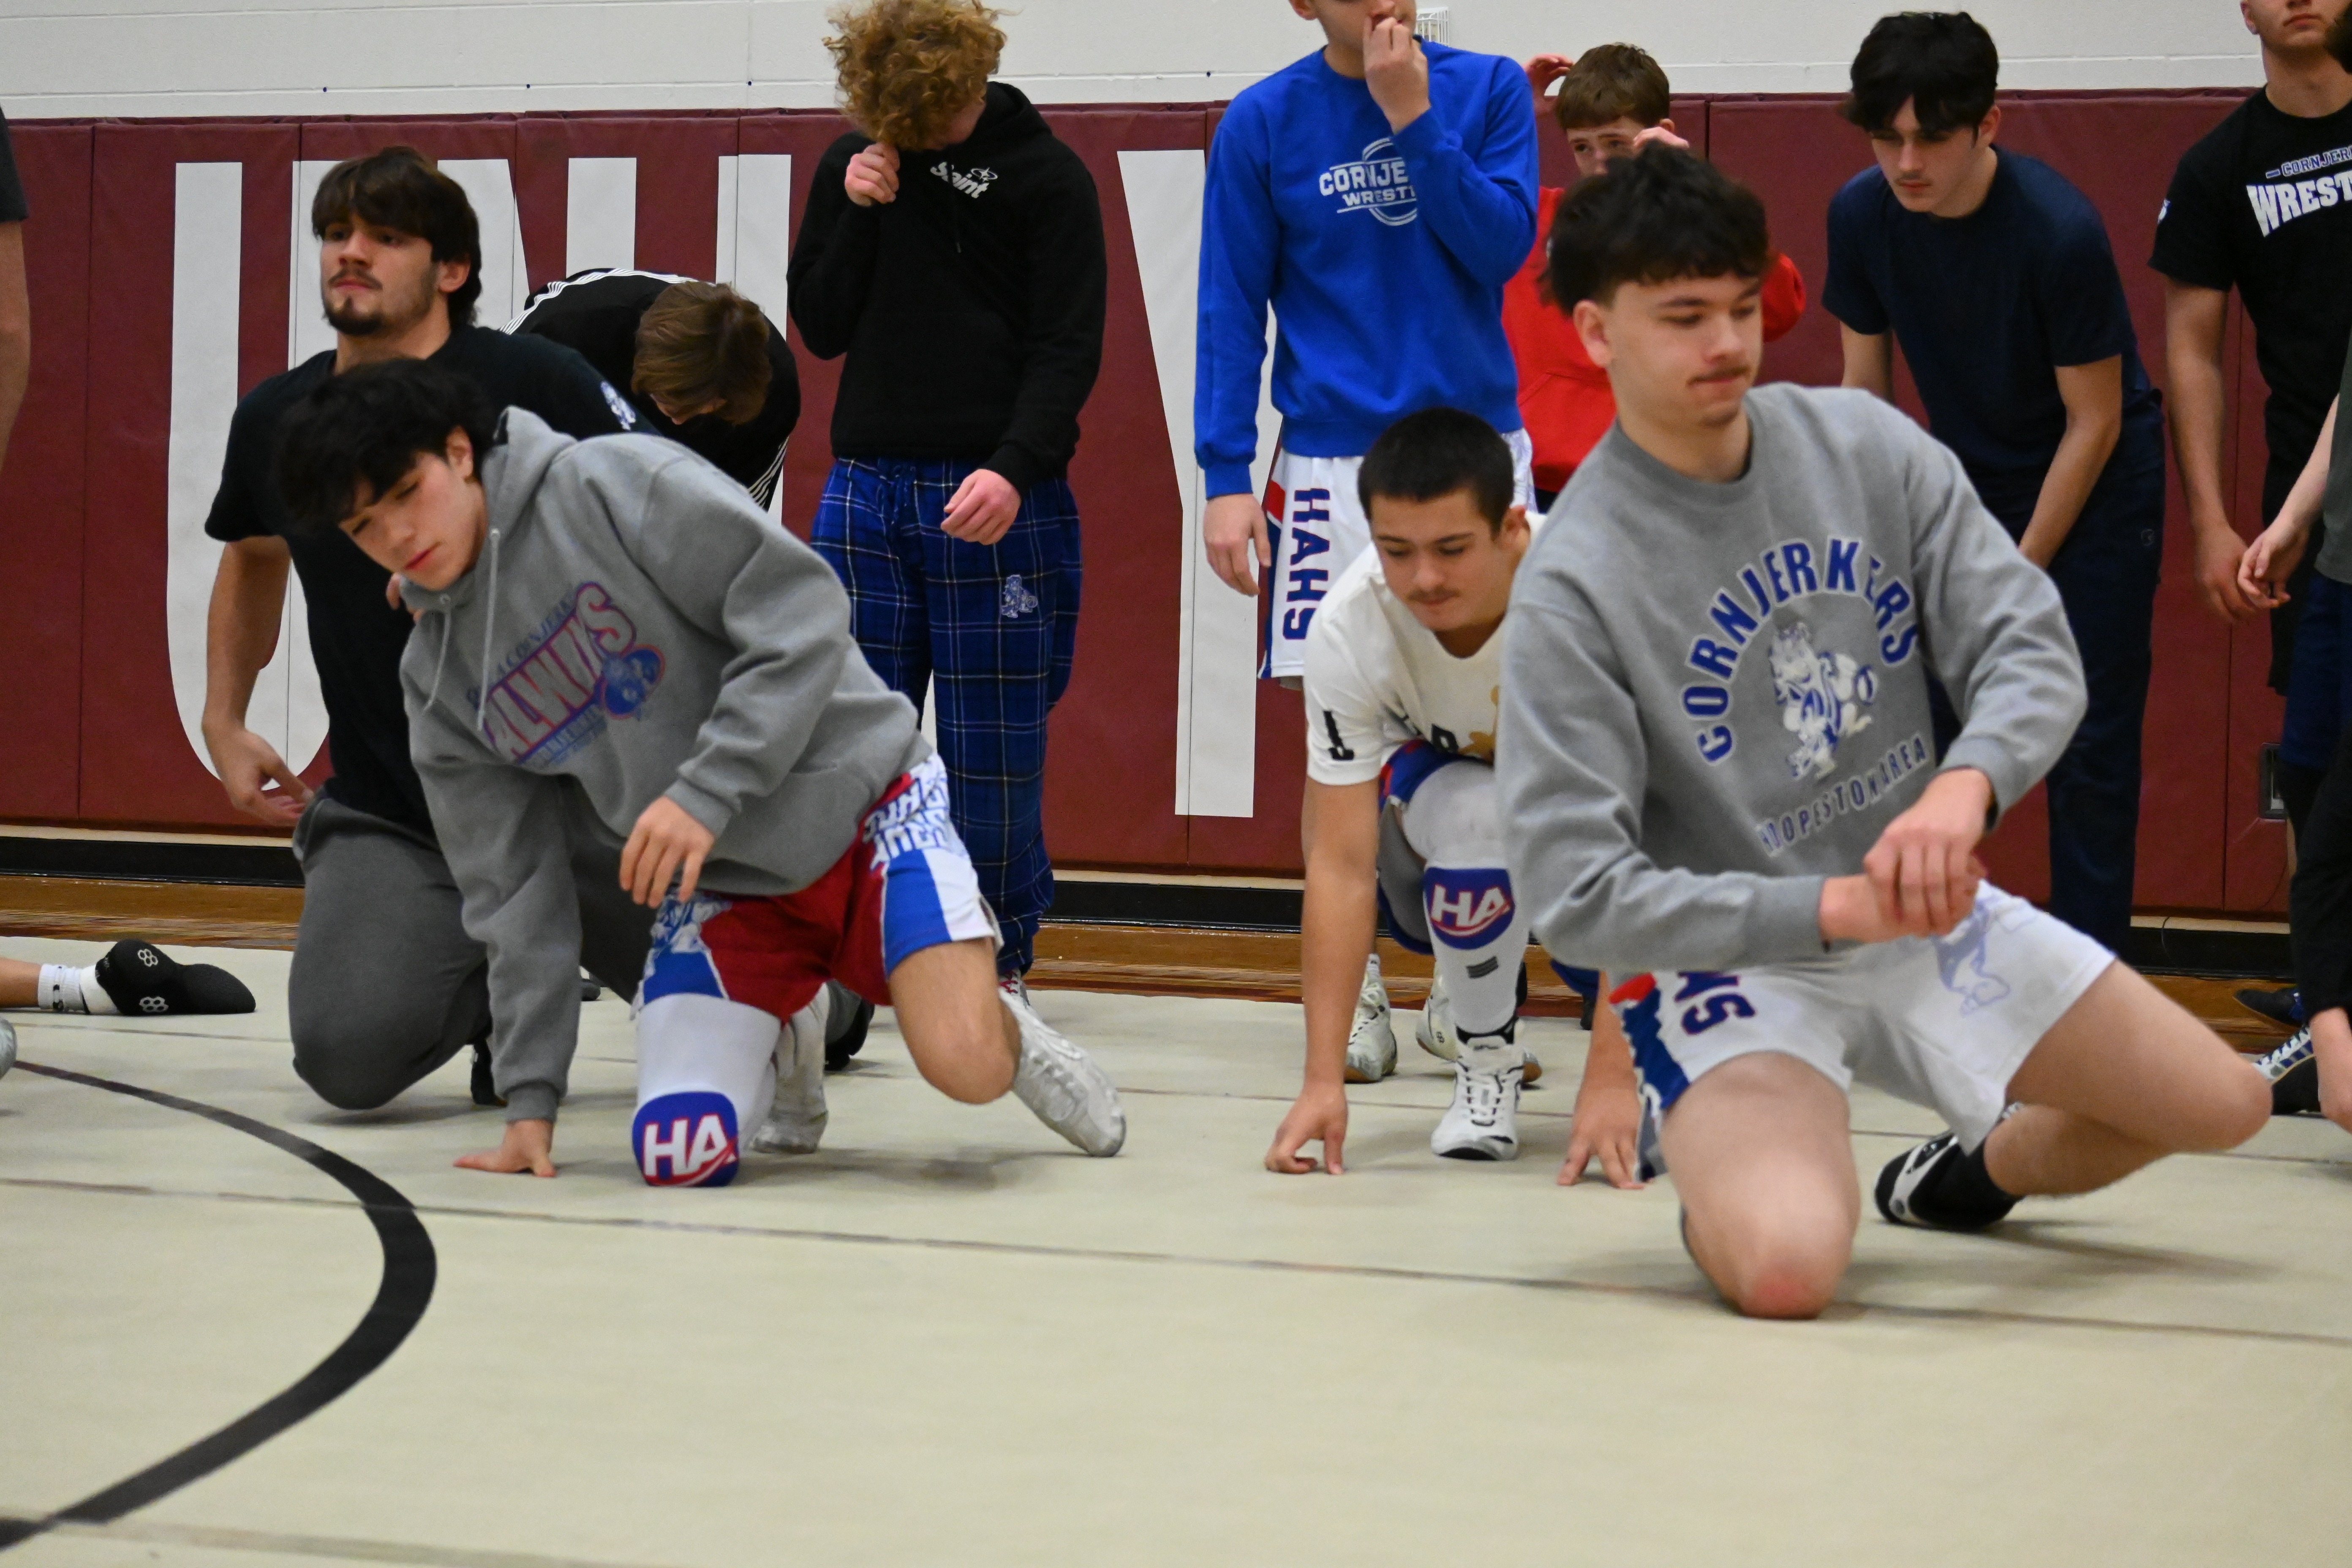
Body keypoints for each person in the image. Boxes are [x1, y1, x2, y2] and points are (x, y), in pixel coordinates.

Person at [1499, 145, 2270, 1319]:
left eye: (1744, 309)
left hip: (1926, 915)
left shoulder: (1867, 449)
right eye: (1684, 318)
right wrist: (1824, 908)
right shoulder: (1574, 581)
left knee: (2229, 1104)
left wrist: (1966, 789)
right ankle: (1716, 1159)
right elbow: (1577, 891)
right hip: (1739, 960)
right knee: (1790, 1270)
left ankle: (1973, 1169)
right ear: (1598, 335)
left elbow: (2031, 647)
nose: (1728, 345)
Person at [272, 359, 1126, 1181]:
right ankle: (789, 1021)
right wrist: (531, 1101)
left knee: (963, 1063)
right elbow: (512, 889)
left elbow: (805, 610)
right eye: (363, 528)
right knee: (678, 1157)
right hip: (725, 886)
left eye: (404, 494)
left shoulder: (611, 485)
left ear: (459, 453)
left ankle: (1002, 1026)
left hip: (869, 806)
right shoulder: (439, 681)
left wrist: (705, 791)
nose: (396, 535)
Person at [198, 146, 650, 1112]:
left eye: (386, 238)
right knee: (344, 1057)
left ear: (451, 270)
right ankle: (490, 972)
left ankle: (792, 979)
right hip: (403, 815)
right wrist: (224, 716)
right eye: (335, 235)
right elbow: (252, 555)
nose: (350, 253)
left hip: (591, 804)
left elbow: (660, 533)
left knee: (803, 1017)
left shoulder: (540, 382)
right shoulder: (279, 414)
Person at [1197, 0, 1538, 1064]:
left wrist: (1412, 118)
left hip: (1476, 448)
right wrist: (1220, 471)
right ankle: (1367, 990)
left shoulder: (1487, 88)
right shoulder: (1262, 121)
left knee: (1501, 724)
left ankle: (1465, 983)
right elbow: (1228, 301)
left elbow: (1500, 248)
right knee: (1336, 734)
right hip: (1330, 461)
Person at [1822, 12, 2164, 958]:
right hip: (1963, 480)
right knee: (1910, 728)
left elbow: (2091, 422)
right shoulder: (1860, 214)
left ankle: (2092, 981)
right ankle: (1903, 964)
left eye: (1930, 136)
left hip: (2094, 488)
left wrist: (2011, 575)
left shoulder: (2060, 231)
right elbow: (1866, 398)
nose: (1906, 161)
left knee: (2086, 748)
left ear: (1989, 125)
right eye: (1886, 137)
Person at [789, 0, 1105, 997]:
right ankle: (841, 962)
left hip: (996, 495)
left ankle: (999, 963)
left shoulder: (1047, 178)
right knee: (843, 744)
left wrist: (1015, 465)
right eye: (899, 123)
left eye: (932, 122)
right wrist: (852, 204)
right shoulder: (859, 160)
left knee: (992, 761)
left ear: (972, 88)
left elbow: (1068, 346)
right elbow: (821, 324)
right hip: (865, 490)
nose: (916, 139)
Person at [1264, 407, 1647, 1177]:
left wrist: (1612, 1074)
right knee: (1478, 815)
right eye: (1395, 551)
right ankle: (1486, 1060)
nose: (1423, 579)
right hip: (1452, 838)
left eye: (1450, 549)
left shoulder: (1598, 599)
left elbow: (1655, 840)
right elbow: (1339, 864)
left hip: (1612, 857)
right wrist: (1318, 1082)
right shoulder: (1346, 626)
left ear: (1512, 528)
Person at [2155, 0, 2352, 850]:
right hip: (2308, 488)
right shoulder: (2218, 168)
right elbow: (2192, 352)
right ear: (2244, 10)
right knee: (2315, 755)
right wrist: (2210, 521)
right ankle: (2325, 978)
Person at [1507, 43, 1808, 508]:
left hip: (1659, 473)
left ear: (1659, 134)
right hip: (1548, 481)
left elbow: (1780, 308)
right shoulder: (1537, 218)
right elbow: (1446, 191)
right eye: (1582, 147)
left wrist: (1694, 194)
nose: (1599, 162)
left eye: (1615, 144)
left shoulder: (1690, 226)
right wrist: (1511, 114)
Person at [509, 270, 800, 509]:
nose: (679, 421)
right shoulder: (570, 326)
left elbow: (735, 530)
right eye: (669, 400)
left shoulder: (774, 398)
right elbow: (473, 385)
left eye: (703, 405)